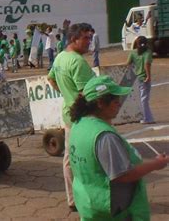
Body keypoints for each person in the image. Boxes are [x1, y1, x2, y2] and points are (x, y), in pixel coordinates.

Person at [69, 75, 168, 220]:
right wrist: (156, 164)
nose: (119, 104)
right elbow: (123, 175)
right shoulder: (104, 136)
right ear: (100, 103)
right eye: (115, 101)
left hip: (89, 203)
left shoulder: (79, 124)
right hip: (115, 211)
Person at [47, 23, 95, 211]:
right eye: (85, 38)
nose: (89, 42)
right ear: (74, 39)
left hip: (69, 114)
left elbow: (50, 78)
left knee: (70, 157)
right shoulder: (77, 62)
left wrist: (67, 95)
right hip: (82, 117)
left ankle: (72, 199)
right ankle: (85, 198)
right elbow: (86, 94)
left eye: (90, 38)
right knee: (84, 158)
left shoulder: (60, 57)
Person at [126, 36, 155, 124]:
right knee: (144, 98)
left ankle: (149, 117)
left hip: (136, 78)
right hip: (144, 77)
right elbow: (147, 64)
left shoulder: (133, 53)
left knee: (142, 98)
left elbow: (128, 64)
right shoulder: (148, 52)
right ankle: (146, 118)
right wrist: (148, 76)